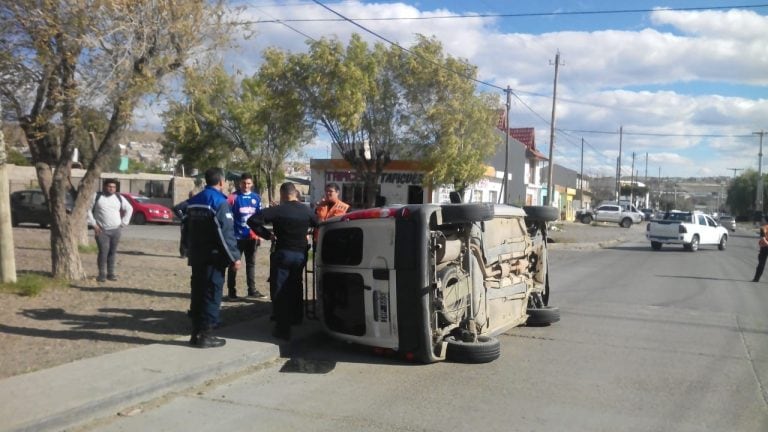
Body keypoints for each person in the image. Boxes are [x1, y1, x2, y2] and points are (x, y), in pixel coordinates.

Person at [248, 182, 318, 340]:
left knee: (280, 290)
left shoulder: (278, 210)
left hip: (283, 253)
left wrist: (267, 235)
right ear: (296, 194)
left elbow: (253, 220)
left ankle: (282, 327)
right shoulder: (306, 211)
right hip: (300, 254)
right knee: (296, 286)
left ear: (282, 194)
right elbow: (318, 223)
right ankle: (297, 317)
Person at [184, 168, 242, 348]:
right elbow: (225, 233)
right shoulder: (219, 202)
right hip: (213, 257)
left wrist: (187, 249)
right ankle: (206, 335)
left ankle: (195, 332)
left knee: (198, 293)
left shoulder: (193, 201)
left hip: (197, 256)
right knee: (211, 294)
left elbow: (186, 228)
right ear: (222, 182)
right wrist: (235, 257)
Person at [226, 173, 265, 299]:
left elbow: (259, 218)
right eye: (244, 183)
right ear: (239, 183)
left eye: (248, 183)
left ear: (252, 184)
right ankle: (231, 292)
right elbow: (227, 217)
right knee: (233, 264)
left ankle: (252, 290)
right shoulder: (233, 198)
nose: (246, 186)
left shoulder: (256, 198)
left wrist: (259, 235)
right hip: (237, 237)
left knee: (251, 264)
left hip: (251, 237)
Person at [87, 178, 133, 282]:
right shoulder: (97, 196)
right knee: (103, 252)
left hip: (116, 230)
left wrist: (123, 223)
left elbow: (129, 209)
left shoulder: (119, 197)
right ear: (104, 186)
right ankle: (102, 274)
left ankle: (111, 273)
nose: (111, 189)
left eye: (113, 187)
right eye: (109, 186)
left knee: (112, 252)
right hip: (101, 230)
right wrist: (94, 224)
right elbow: (88, 210)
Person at [173, 190, 195, 258]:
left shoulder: (196, 203)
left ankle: (189, 253)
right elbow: (177, 208)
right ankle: (183, 253)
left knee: (191, 239)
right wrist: (182, 216)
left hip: (193, 223)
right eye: (192, 195)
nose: (193, 196)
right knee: (184, 238)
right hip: (185, 223)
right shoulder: (186, 203)